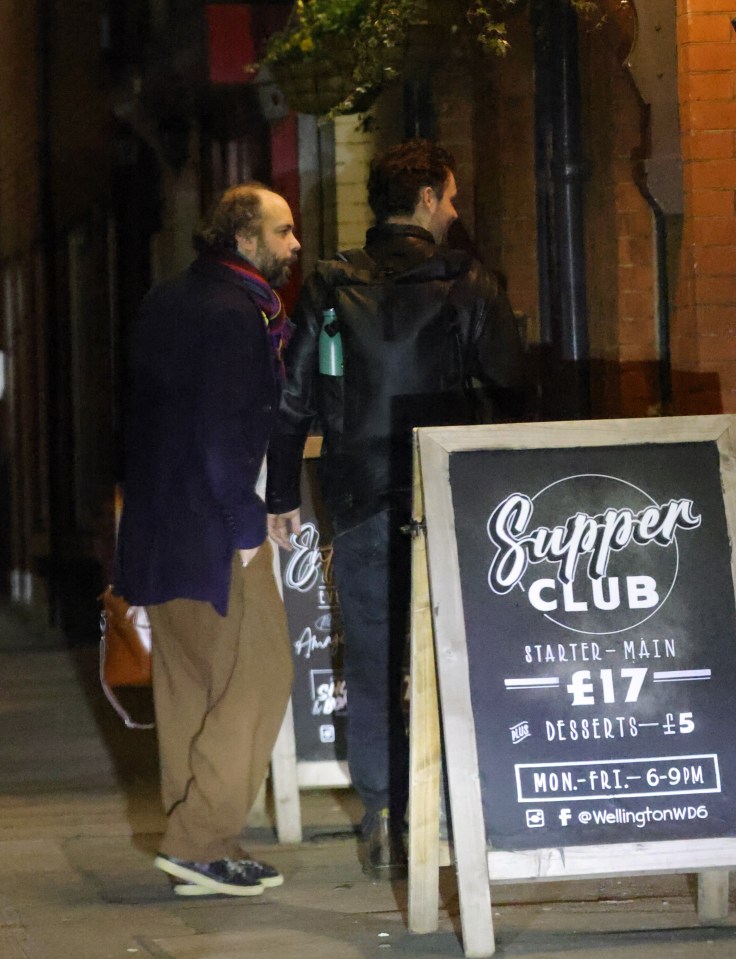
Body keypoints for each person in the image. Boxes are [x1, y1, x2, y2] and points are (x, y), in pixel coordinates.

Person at [266, 138, 527, 878]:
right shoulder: (467, 280)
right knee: (452, 652)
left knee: (376, 655)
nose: (453, 210)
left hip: (355, 493)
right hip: (445, 498)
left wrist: (282, 493)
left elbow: (291, 400)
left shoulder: (327, 284)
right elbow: (510, 387)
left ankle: (383, 810)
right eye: (447, 197)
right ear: (423, 199)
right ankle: (442, 807)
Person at [114, 182, 300, 897]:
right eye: (283, 232)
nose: (294, 246)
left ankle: (199, 847)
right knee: (261, 676)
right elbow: (224, 435)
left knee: (190, 686)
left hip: (158, 527)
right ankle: (197, 839)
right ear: (245, 239)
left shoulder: (167, 298)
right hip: (214, 529)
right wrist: (248, 528)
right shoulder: (234, 315)